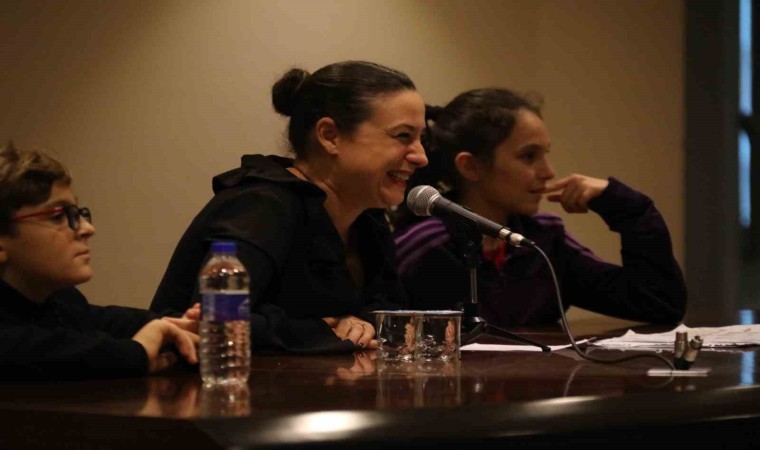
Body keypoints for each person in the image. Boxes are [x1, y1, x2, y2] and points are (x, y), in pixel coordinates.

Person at [150, 61, 428, 353]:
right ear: (330, 136)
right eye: (403, 136)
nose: (421, 157)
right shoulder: (261, 207)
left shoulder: (368, 218)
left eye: (421, 139)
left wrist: (366, 325)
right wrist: (321, 330)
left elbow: (387, 312)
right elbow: (214, 322)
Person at [392, 88, 686, 326]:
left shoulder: (543, 239)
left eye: (545, 154)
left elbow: (658, 304)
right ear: (471, 167)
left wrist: (626, 208)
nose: (548, 172)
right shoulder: (426, 245)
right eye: (529, 156)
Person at [0, 142, 199, 381]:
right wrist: (137, 352)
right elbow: (28, 350)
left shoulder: (60, 300)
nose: (87, 228)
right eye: (57, 216)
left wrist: (180, 324)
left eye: (77, 214)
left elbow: (109, 322)